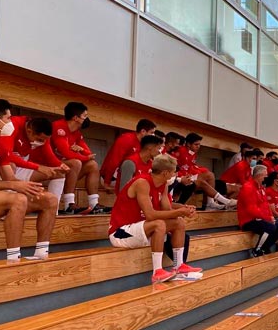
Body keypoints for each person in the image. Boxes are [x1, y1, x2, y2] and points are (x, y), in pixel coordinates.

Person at [0, 99, 59, 263]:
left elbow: (10, 178)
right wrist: (13, 185)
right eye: (8, 118)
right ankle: (13, 259)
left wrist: (26, 187)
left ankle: (41, 254)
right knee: (18, 199)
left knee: (49, 199)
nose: (11, 123)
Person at [108, 154, 201, 283]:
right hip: (120, 233)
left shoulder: (163, 185)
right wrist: (179, 211)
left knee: (178, 222)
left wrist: (184, 210)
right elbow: (150, 215)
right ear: (165, 173)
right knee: (159, 224)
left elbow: (168, 211)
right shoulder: (142, 182)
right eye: (173, 172)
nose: (175, 175)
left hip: (141, 227)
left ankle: (179, 266)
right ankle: (157, 271)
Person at [0, 115, 69, 207]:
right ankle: (4, 205)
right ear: (29, 131)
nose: (42, 143)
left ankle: (53, 209)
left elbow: (50, 156)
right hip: (0, 166)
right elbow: (6, 156)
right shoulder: (13, 125)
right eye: (39, 140)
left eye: (44, 140)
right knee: (10, 165)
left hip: (23, 166)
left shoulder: (40, 132)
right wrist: (38, 167)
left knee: (59, 173)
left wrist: (61, 165)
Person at [52, 101, 106, 215]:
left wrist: (81, 151)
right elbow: (67, 153)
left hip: (66, 168)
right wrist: (85, 157)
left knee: (93, 165)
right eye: (84, 116)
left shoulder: (76, 132)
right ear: (76, 118)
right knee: (76, 162)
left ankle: (93, 203)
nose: (86, 118)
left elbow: (89, 153)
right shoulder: (58, 126)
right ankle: (69, 204)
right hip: (51, 164)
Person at [173, 133, 236, 210]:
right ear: (188, 144)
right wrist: (183, 176)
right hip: (179, 177)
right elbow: (175, 167)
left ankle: (211, 203)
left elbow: (190, 167)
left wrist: (198, 171)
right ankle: (220, 202)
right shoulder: (181, 151)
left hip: (187, 176)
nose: (198, 146)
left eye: (199, 144)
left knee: (210, 175)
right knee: (204, 180)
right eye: (196, 144)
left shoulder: (193, 154)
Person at [237, 164, 278, 257]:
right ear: (259, 175)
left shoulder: (260, 187)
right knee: (270, 227)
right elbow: (251, 209)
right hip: (248, 220)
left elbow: (265, 204)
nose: (266, 177)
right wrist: (267, 218)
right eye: (265, 175)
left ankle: (265, 248)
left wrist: (271, 217)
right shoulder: (248, 187)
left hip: (260, 218)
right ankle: (256, 250)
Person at [100, 119, 156, 187]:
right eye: (151, 132)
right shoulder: (126, 139)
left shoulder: (144, 144)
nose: (153, 135)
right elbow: (114, 161)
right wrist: (106, 182)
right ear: (143, 131)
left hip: (131, 175)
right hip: (111, 177)